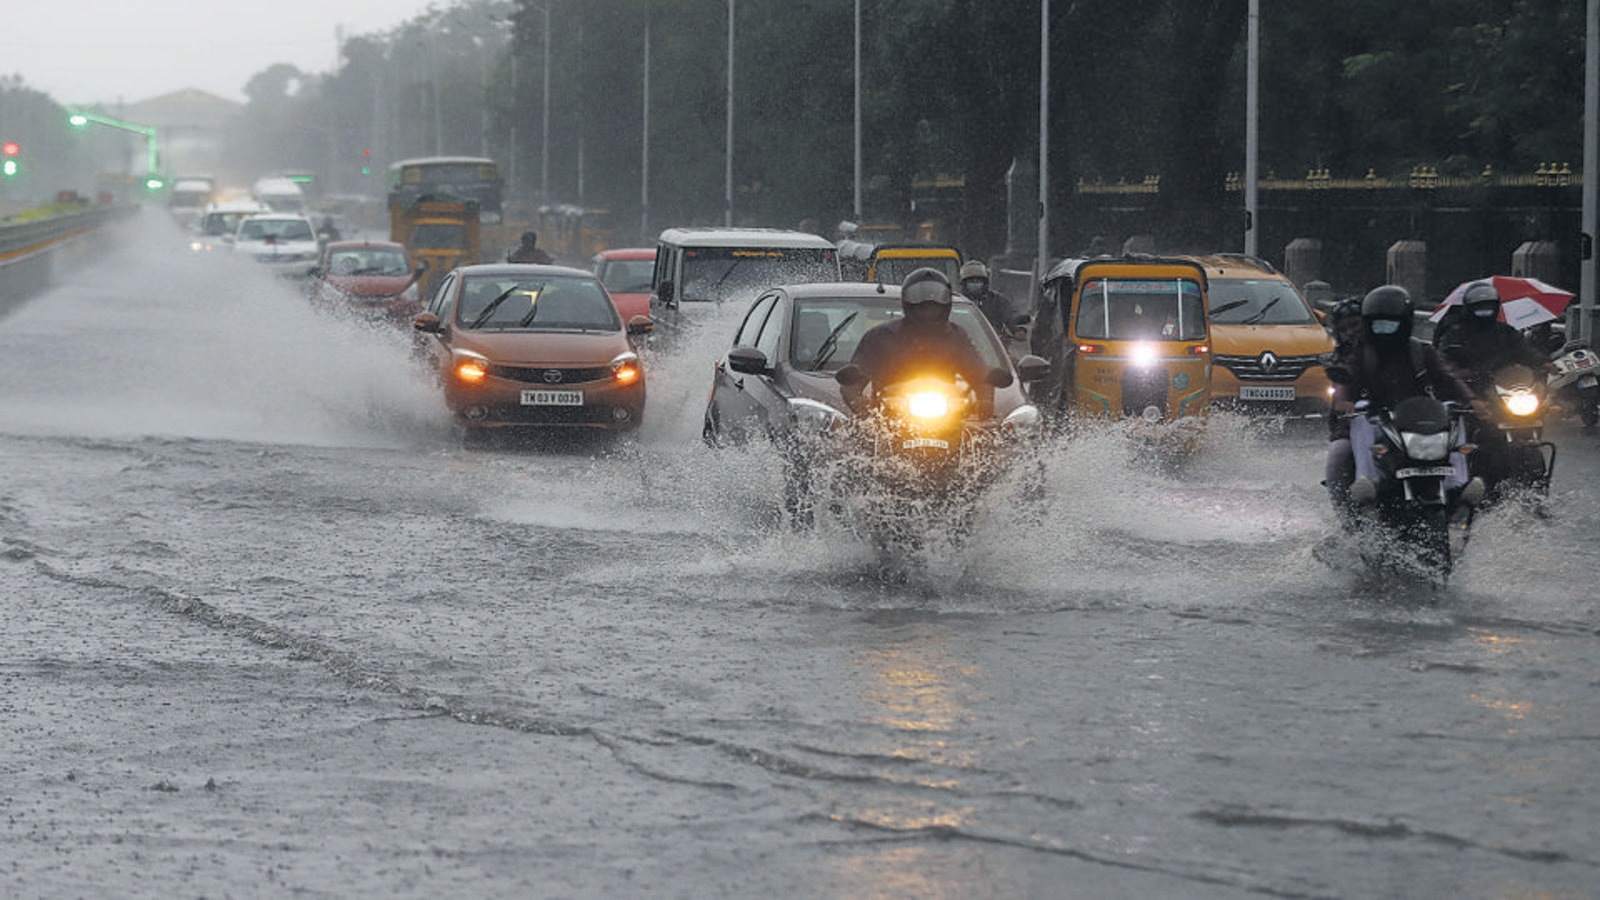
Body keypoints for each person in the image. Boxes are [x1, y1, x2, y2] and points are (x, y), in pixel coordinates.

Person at [1336, 285, 1484, 506]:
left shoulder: (1422, 351)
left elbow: (1448, 379)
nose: (1384, 330)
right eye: (1378, 324)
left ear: (1404, 322)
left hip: (1420, 418)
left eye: (1390, 323)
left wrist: (1472, 400)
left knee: (1453, 410)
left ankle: (1457, 484)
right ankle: (1368, 481)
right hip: (1380, 418)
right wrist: (1344, 401)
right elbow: (1346, 379)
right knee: (1358, 417)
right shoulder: (1360, 355)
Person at [1432, 281, 1558, 488]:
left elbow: (1524, 350)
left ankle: (1533, 483)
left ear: (1496, 306)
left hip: (1502, 389)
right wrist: (1461, 372)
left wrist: (1543, 363)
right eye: (1480, 307)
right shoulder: (1455, 333)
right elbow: (1446, 359)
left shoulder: (1505, 331)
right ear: (1469, 308)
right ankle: (1457, 477)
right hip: (1473, 392)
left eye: (1489, 306)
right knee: (1458, 426)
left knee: (1535, 412)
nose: (1484, 311)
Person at [842, 267, 996, 417]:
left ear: (946, 305)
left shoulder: (956, 336)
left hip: (947, 418)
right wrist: (859, 403)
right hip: (888, 420)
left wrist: (984, 400)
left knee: (984, 438)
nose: (928, 312)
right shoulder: (881, 337)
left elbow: (978, 372)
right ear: (908, 304)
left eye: (933, 307)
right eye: (922, 308)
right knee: (859, 438)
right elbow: (855, 377)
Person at [1321, 297, 1365, 521]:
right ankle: (1346, 520)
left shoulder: (1406, 349)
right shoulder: (1342, 356)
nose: (1350, 332)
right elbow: (1341, 386)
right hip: (1355, 425)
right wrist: (1345, 403)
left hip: (1400, 423)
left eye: (1355, 324)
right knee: (1339, 457)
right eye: (1344, 328)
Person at [958, 260, 1024, 341]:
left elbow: (1010, 314)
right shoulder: (958, 301)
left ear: (985, 283)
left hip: (994, 344)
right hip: (961, 344)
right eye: (971, 281)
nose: (975, 284)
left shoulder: (996, 300)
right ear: (964, 284)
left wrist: (1017, 329)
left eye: (978, 281)